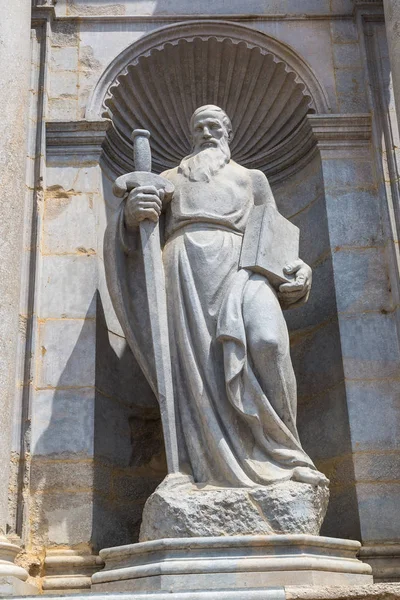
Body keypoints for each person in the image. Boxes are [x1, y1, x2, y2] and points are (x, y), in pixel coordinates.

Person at [112, 104, 327, 488]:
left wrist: (300, 270)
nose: (207, 132)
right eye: (199, 127)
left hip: (244, 268)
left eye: (215, 126)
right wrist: (131, 215)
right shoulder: (166, 179)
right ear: (190, 134)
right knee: (197, 369)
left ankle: (285, 452)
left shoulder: (252, 179)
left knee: (268, 341)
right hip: (183, 268)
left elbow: (273, 236)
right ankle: (203, 471)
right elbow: (136, 242)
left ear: (229, 133)